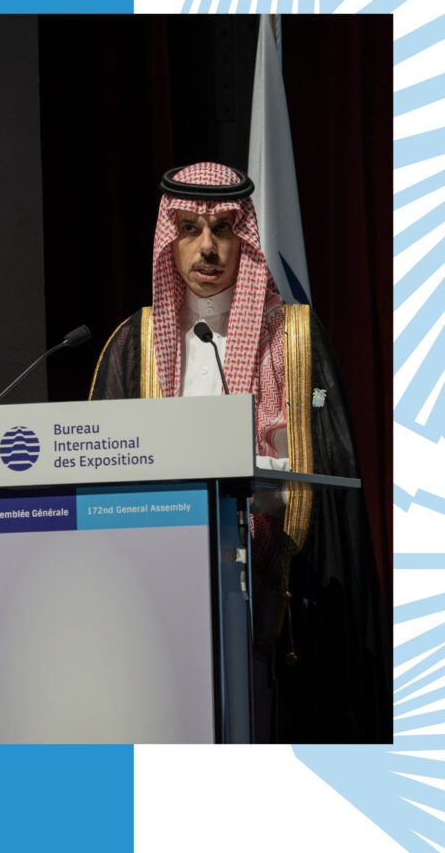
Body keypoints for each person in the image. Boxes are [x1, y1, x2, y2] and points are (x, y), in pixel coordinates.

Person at [89, 161, 390, 743]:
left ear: (243, 239)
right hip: (158, 589)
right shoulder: (133, 346)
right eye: (190, 229)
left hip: (272, 591)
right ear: (169, 240)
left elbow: (327, 466)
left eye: (223, 229)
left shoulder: (294, 339)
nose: (207, 247)